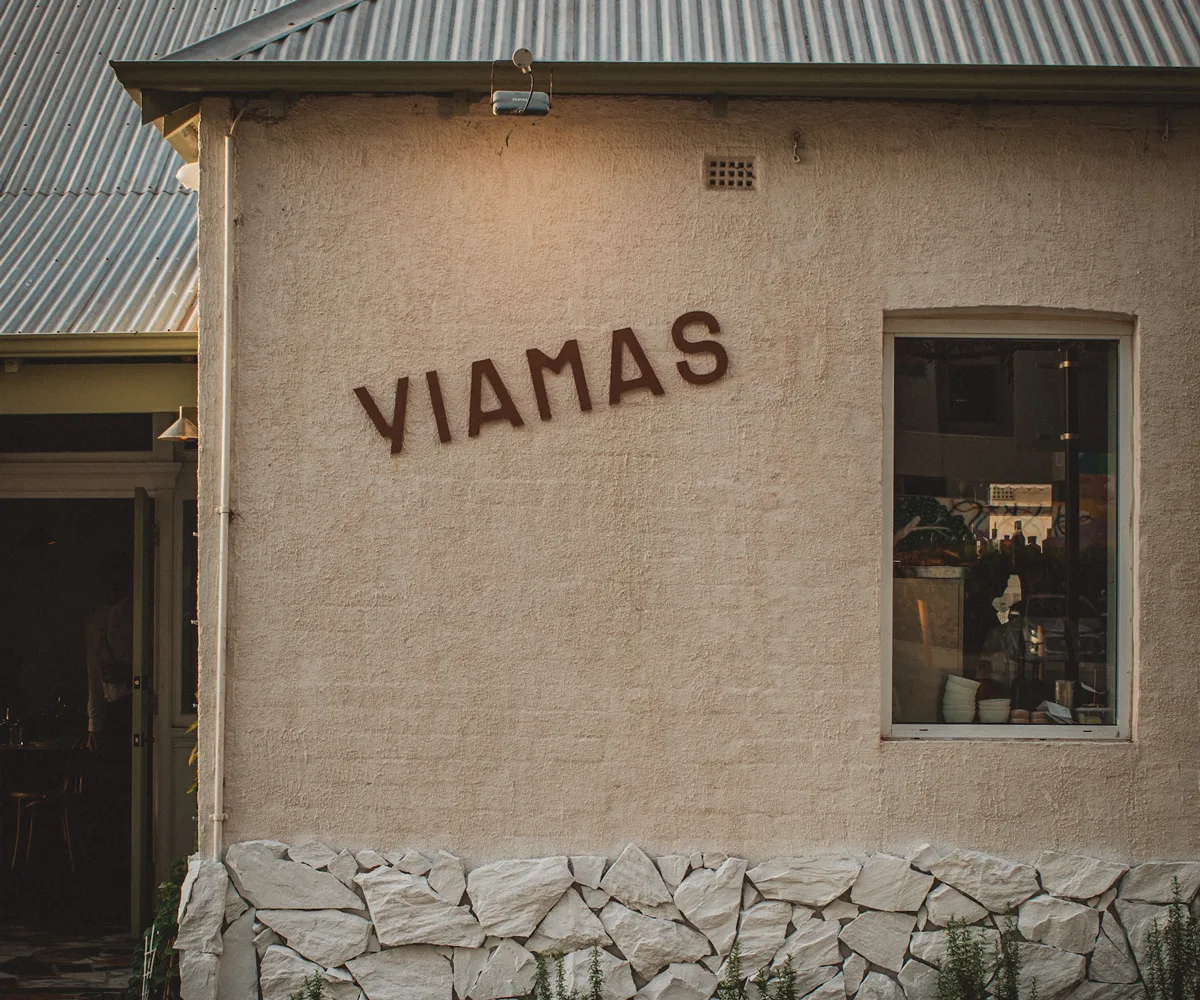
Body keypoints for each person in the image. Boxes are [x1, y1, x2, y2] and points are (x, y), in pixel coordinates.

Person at [85, 551, 133, 753]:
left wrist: (130, 673)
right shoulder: (97, 620)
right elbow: (93, 675)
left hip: (134, 702)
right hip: (110, 708)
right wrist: (93, 724)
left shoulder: (137, 613)